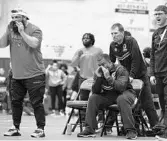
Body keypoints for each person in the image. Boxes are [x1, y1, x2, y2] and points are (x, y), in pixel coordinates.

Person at [1, 8, 46, 138]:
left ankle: (40, 129)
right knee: (15, 102)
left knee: (36, 103)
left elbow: (34, 44)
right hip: (16, 74)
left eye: (17, 18)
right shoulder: (11, 28)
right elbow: (2, 44)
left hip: (35, 74)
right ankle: (15, 127)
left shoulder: (35, 29)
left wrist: (21, 32)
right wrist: (7, 30)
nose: (14, 21)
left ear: (25, 19)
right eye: (13, 18)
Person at [109, 23, 158, 130]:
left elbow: (136, 60)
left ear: (122, 33)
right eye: (112, 34)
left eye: (116, 33)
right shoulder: (112, 45)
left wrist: (131, 76)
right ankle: (132, 128)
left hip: (140, 75)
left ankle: (156, 128)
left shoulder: (131, 41)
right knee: (129, 103)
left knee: (147, 103)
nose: (113, 36)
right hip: (126, 78)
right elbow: (111, 63)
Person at [77, 54, 137, 139]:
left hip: (126, 93)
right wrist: (98, 78)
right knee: (93, 98)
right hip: (109, 95)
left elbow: (121, 88)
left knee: (121, 99)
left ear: (110, 62)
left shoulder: (121, 69)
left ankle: (131, 130)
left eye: (103, 64)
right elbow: (95, 91)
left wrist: (108, 77)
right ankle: (89, 129)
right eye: (99, 65)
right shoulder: (99, 72)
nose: (102, 67)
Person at [150, 5, 167, 140]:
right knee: (162, 102)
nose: (157, 17)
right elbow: (153, 54)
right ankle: (163, 128)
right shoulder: (155, 33)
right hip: (158, 73)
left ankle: (165, 130)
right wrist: (151, 74)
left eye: (160, 14)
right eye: (155, 14)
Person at [71, 33, 103, 100]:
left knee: (94, 98)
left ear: (92, 40)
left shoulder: (98, 50)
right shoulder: (79, 51)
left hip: (95, 78)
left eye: (87, 38)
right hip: (83, 79)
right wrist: (78, 56)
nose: (85, 39)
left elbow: (103, 63)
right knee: (83, 99)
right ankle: (83, 111)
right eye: (83, 38)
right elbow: (73, 64)